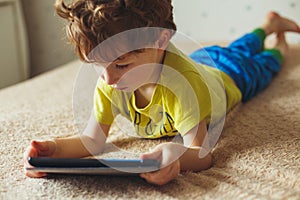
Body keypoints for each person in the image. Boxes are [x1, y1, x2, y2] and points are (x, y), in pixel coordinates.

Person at [24, 0, 300, 186]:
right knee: (232, 49)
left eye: (122, 65)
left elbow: (203, 154)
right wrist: (53, 150)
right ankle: (268, 26)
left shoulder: (183, 87)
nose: (108, 79)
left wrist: (176, 154)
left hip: (231, 79)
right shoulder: (110, 80)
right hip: (204, 62)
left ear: (161, 41)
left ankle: (277, 39)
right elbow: (93, 141)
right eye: (96, 65)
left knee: (263, 63)